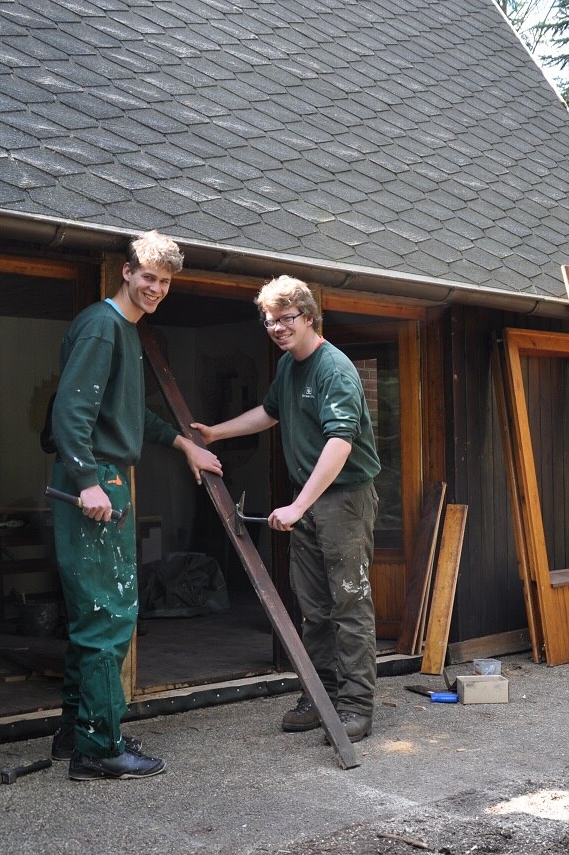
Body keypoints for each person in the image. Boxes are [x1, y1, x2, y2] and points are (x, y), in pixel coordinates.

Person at [48, 229, 222, 781]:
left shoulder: (124, 330)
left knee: (95, 612)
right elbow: (71, 415)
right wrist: (87, 480)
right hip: (96, 480)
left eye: (165, 282)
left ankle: (76, 731)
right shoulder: (103, 327)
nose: (156, 288)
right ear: (126, 272)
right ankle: (97, 750)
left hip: (104, 475)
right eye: (148, 277)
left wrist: (185, 445)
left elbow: (129, 417)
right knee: (109, 614)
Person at [192, 276, 381, 743]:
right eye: (270, 320)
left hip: (344, 499)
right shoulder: (288, 367)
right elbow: (269, 412)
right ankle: (320, 696)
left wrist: (298, 505)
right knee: (314, 608)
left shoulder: (334, 368)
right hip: (310, 500)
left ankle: (357, 707)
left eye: (286, 318)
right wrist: (216, 433)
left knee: (349, 605)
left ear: (309, 317)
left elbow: (341, 443)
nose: (277, 328)